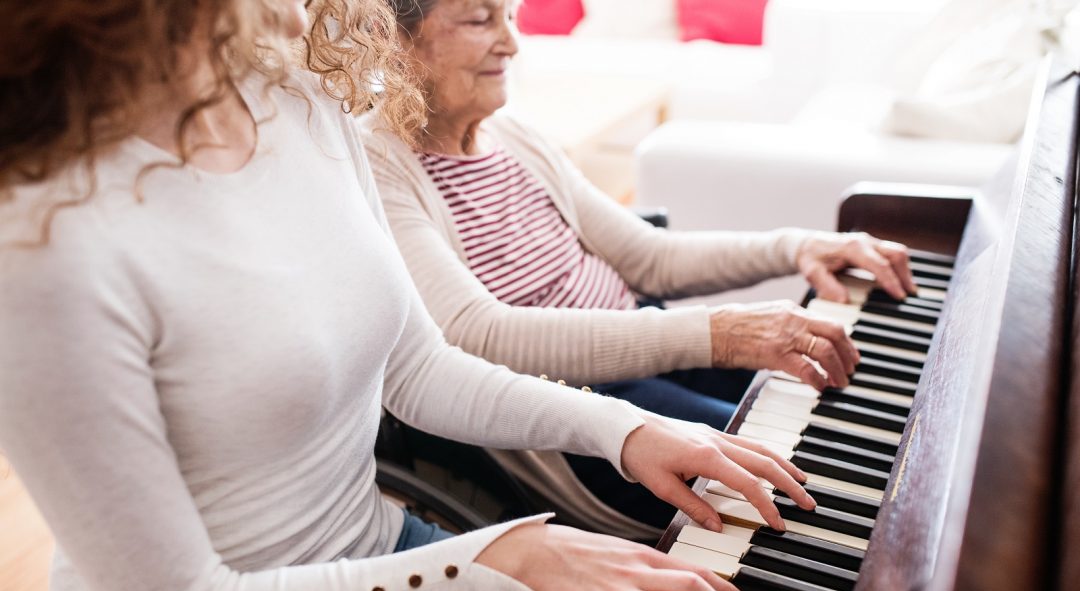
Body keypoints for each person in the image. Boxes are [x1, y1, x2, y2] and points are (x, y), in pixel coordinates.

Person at [0, 1, 818, 591]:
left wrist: (626, 429)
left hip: (373, 558)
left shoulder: (299, 98)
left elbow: (420, 368)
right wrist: (496, 562)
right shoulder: (45, 241)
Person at [360, 0, 916, 527]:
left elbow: (648, 258)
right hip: (576, 407)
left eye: (510, 16)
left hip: (645, 343)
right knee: (808, 470)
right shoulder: (379, 168)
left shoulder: (510, 134)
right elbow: (478, 334)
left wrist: (796, 247)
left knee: (846, 407)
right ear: (393, 39)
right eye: (481, 20)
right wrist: (717, 333)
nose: (511, 44)